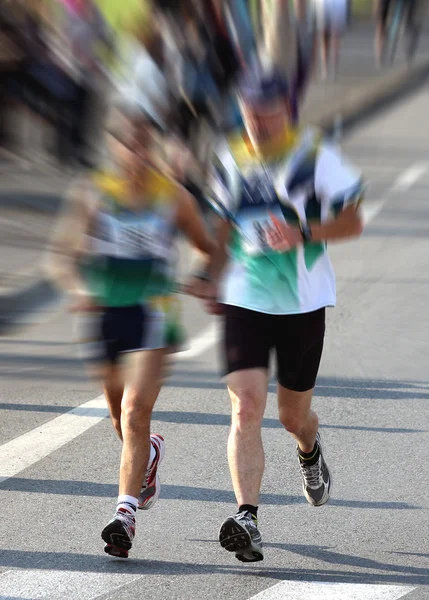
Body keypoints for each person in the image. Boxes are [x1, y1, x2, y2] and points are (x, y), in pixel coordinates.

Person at [195, 68, 364, 562]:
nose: (259, 128)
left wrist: (303, 233)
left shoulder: (315, 155)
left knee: (293, 416)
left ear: (285, 113)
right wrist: (211, 272)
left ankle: (310, 450)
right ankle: (247, 517)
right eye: (251, 118)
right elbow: (223, 224)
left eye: (267, 118)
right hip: (244, 297)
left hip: (303, 303)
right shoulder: (231, 156)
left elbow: (353, 220)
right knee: (246, 406)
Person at [47, 99, 215, 559]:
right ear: (114, 147)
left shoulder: (172, 196)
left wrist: (201, 275)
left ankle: (124, 516)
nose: (138, 155)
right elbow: (62, 257)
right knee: (121, 418)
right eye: (129, 146)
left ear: (153, 148)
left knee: (137, 413)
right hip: (107, 314)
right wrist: (78, 287)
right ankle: (149, 457)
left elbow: (208, 246)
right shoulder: (94, 193)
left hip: (153, 313)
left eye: (145, 146)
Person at [312, 0, 348, 79]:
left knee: (335, 35)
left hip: (336, 5)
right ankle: (325, 69)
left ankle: (334, 69)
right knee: (324, 36)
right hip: (322, 4)